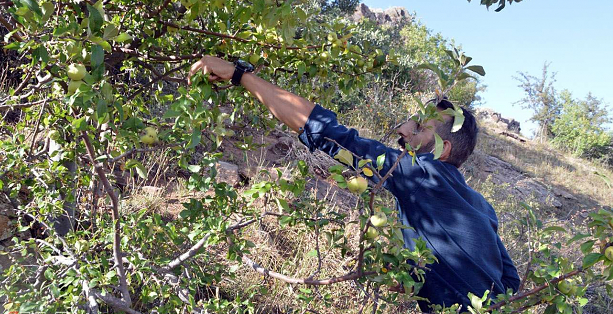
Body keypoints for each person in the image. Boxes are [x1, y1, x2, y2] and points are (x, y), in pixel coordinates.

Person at [189, 55, 521, 312]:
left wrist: (239, 75)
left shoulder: (422, 176)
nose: (403, 130)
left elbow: (326, 132)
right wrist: (415, 278)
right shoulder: (481, 205)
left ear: (441, 150)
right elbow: (509, 281)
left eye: (418, 128)